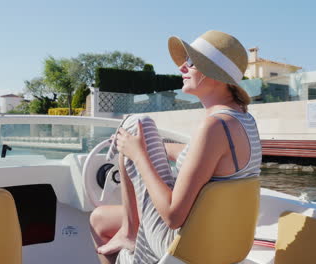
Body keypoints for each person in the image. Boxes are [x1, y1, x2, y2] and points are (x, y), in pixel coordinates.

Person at [89, 30, 262, 264]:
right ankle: (128, 232)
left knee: (136, 124)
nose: (182, 67)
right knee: (99, 219)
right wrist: (154, 147)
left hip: (182, 243)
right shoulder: (242, 120)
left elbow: (173, 216)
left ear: (216, 74)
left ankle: (129, 233)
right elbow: (203, 159)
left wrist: (139, 155)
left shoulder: (214, 126)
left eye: (191, 63)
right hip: (214, 238)